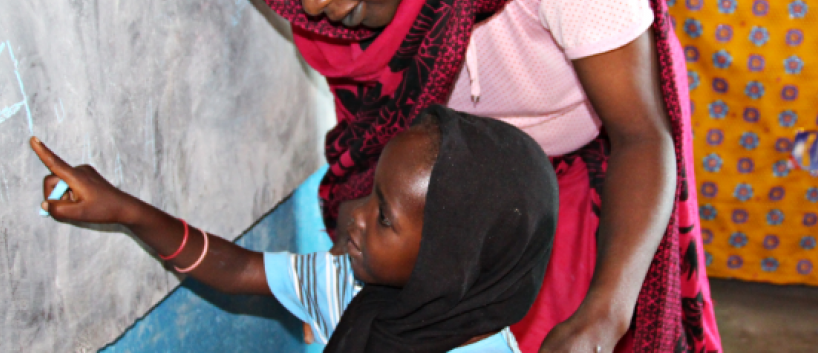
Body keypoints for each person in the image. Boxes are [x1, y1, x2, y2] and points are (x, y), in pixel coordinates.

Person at [204, 0, 722, 353]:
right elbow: (383, 152)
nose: (311, 2)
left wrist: (603, 318)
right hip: (472, 212)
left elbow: (641, 137)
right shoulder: (352, 23)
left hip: (608, 180)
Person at [31, 105, 558, 353]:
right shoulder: (349, 285)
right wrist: (127, 210)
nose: (350, 213)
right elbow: (236, 270)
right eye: (371, 189)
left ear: (452, 265)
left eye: (382, 216)